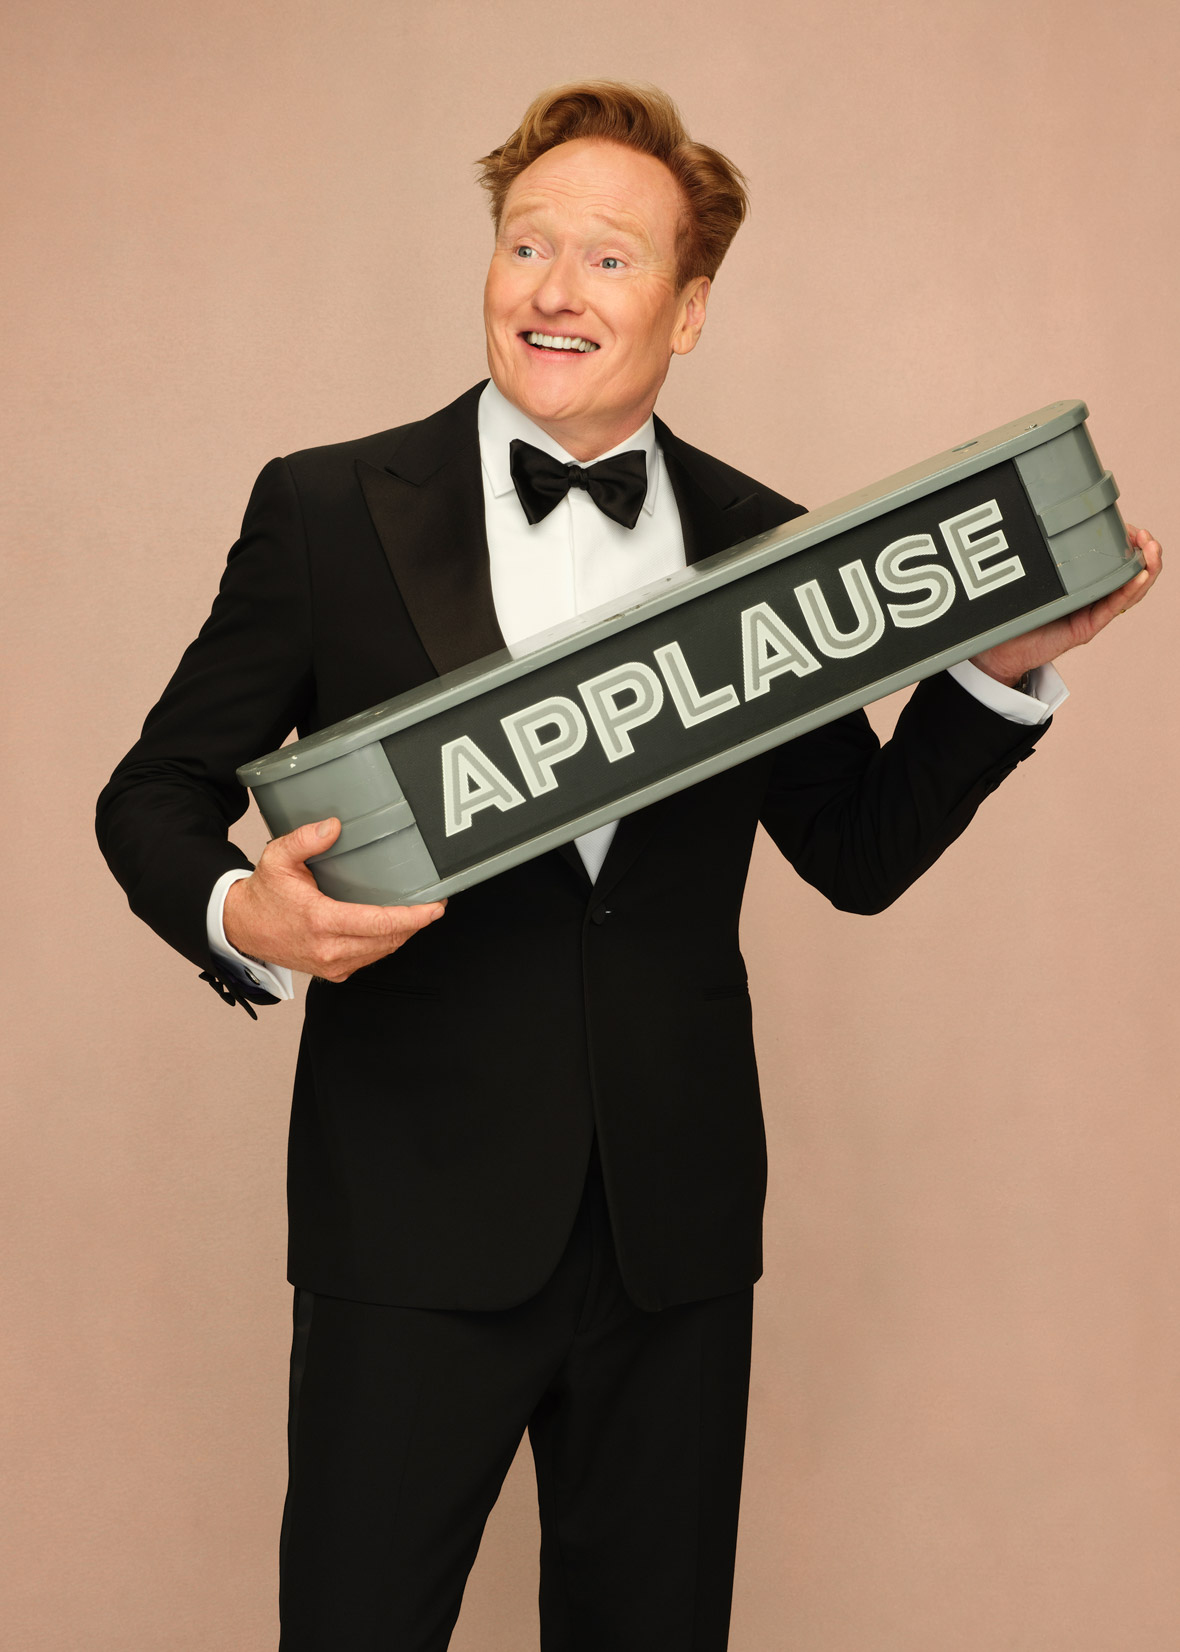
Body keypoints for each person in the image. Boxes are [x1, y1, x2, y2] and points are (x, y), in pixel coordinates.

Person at [95, 81, 1162, 1652]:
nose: (552, 289)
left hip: (672, 1240)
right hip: (409, 1229)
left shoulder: (763, 549)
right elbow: (155, 791)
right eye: (527, 246)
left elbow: (854, 854)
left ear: (691, 307)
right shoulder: (327, 510)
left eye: (606, 258)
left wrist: (992, 674)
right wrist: (241, 909)